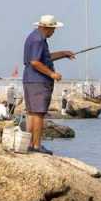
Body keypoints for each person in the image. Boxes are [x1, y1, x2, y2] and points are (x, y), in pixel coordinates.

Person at [23, 15, 75, 155]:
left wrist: (63, 53)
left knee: (32, 113)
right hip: (38, 81)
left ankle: (30, 144)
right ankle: (36, 146)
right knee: (39, 114)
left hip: (30, 80)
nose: (54, 32)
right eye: (53, 29)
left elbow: (44, 57)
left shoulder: (34, 37)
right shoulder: (39, 39)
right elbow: (35, 62)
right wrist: (52, 74)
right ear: (47, 28)